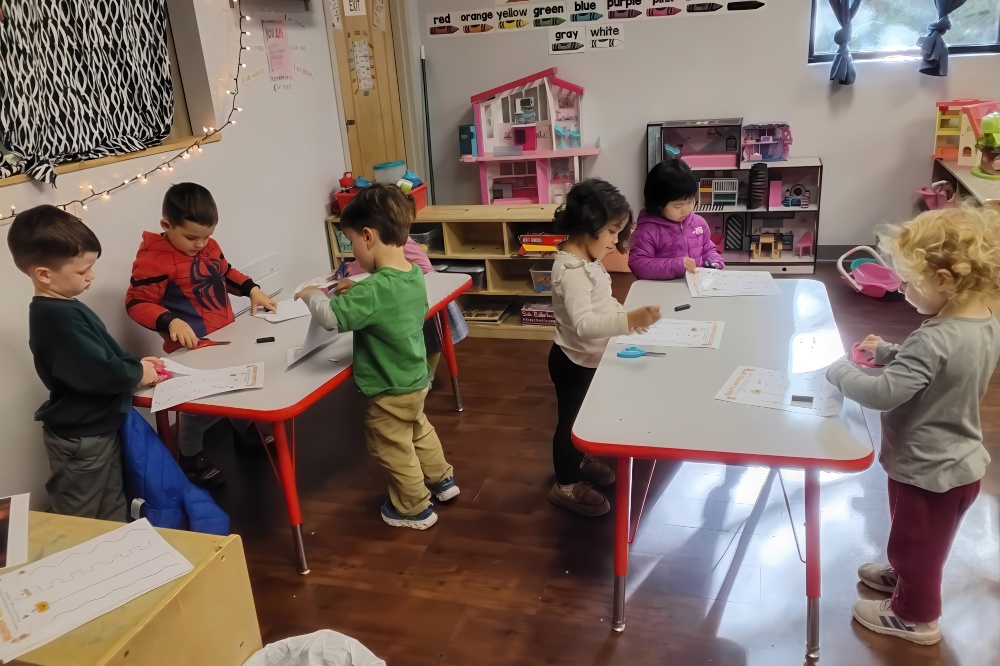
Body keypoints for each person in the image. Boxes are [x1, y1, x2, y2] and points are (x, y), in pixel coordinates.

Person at [826, 205, 1000, 645]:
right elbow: (943, 367)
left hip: (929, 469)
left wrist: (839, 372)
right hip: (948, 463)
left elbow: (883, 394)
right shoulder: (983, 324)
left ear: (944, 280)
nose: (901, 289)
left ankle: (915, 616)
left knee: (918, 547)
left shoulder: (934, 336)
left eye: (908, 281)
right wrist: (888, 352)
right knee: (912, 537)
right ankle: (905, 577)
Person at [297, 184, 457, 530]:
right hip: (414, 378)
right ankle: (443, 480)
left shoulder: (372, 289)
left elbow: (330, 319)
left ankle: (414, 508)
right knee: (418, 429)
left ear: (368, 236)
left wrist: (311, 295)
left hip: (386, 387)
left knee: (392, 447)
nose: (353, 252)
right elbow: (386, 298)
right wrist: (358, 289)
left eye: (352, 243)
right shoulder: (412, 274)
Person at [8, 205, 161, 521]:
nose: (91, 276)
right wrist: (137, 373)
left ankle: (115, 555)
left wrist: (133, 361)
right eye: (82, 270)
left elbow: (101, 351)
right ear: (44, 274)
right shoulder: (55, 318)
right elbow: (96, 371)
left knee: (112, 500)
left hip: (97, 430)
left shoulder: (66, 307)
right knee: (79, 516)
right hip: (81, 440)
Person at [125, 183, 277, 485]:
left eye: (207, 236)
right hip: (192, 348)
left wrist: (252, 290)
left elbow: (225, 272)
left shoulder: (208, 245)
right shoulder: (153, 260)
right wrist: (170, 322)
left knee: (239, 382)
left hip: (226, 334)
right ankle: (190, 458)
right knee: (196, 408)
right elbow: (136, 302)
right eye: (192, 237)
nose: (201, 244)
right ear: (167, 225)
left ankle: (245, 430)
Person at [548, 179, 661, 516]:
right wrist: (626, 322)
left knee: (583, 417)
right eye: (612, 231)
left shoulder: (588, 259)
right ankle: (565, 485)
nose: (615, 240)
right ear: (589, 226)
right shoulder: (569, 271)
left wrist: (623, 315)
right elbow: (584, 326)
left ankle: (579, 460)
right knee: (570, 425)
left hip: (590, 358)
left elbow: (604, 300)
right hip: (574, 361)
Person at [628, 159, 724, 280]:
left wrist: (714, 261)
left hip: (695, 286)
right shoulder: (647, 231)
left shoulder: (699, 223)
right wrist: (676, 265)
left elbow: (708, 249)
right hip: (664, 291)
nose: (686, 210)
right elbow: (639, 265)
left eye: (690, 201)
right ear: (658, 204)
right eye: (677, 206)